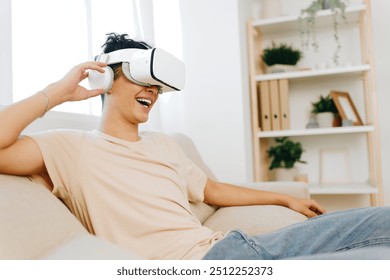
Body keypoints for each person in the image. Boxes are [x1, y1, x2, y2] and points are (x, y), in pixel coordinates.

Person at [0, 33, 389, 260]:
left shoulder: (165, 145)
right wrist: (56, 92)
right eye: (141, 78)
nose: (152, 91)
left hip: (231, 250)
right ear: (107, 81)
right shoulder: (71, 147)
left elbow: (212, 190)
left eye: (157, 84)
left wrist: (284, 201)